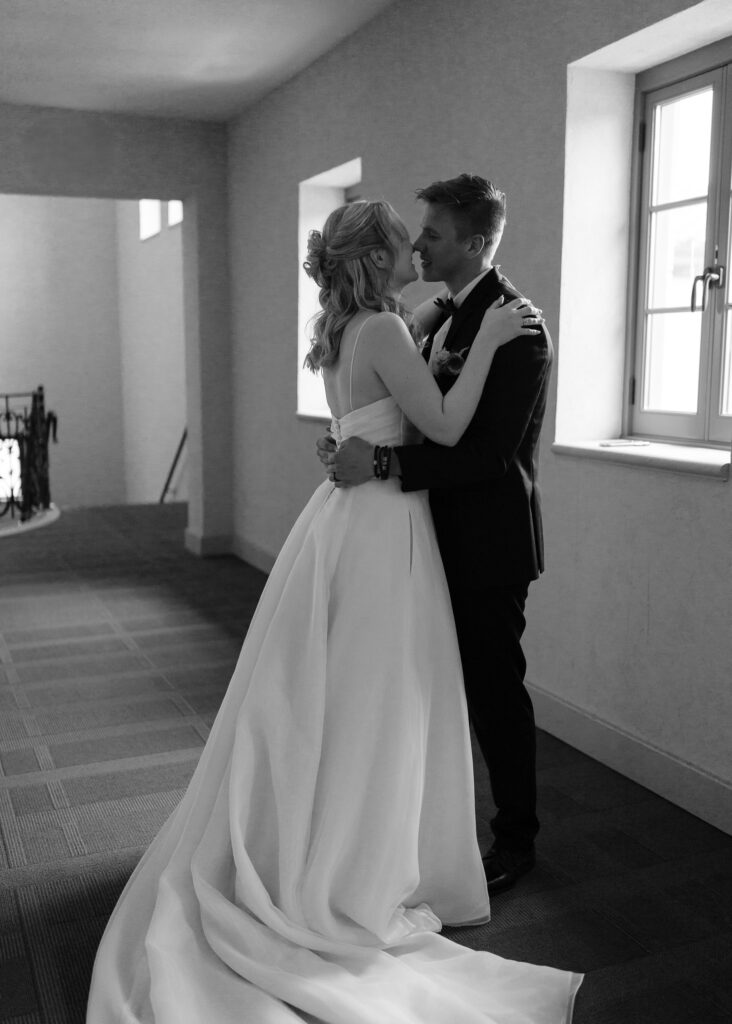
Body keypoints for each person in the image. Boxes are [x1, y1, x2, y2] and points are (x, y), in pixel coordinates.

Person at [86, 199, 581, 1023]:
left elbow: (398, 359)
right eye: (401, 243)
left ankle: (334, 842)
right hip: (388, 527)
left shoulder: (347, 329)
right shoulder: (389, 332)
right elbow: (451, 426)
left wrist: (454, 321)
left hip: (345, 520)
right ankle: (361, 860)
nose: (414, 250)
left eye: (424, 237)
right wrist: (490, 339)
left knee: (344, 691)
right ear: (376, 259)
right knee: (385, 695)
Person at [318, 174, 552, 896]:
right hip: (417, 534)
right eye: (414, 233)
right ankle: (410, 835)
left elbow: (484, 453)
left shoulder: (518, 328)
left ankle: (515, 839)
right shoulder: (436, 315)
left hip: (484, 541)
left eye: (434, 234)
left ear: (476, 242)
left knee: (491, 690)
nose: (419, 244)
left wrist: (380, 457)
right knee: (414, 689)